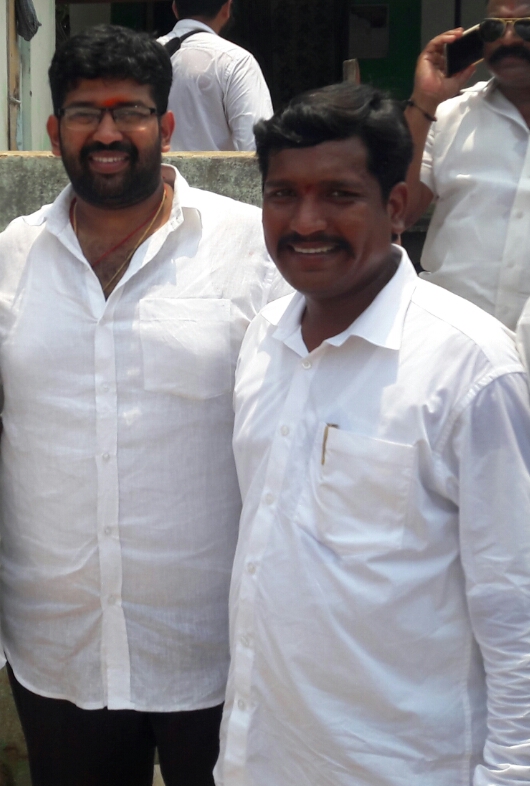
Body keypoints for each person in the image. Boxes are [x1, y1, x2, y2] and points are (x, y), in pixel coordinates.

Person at [214, 82, 530, 786]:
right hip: (264, 754)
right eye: (283, 194)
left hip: (403, 766)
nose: (306, 221)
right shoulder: (264, 339)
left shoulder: (470, 369)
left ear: (396, 207)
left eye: (339, 195)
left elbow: (517, 609)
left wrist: (511, 773)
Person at [0, 24, 288, 786]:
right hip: (57, 649)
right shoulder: (11, 258)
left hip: (216, 646)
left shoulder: (249, 249)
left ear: (165, 126)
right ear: (54, 131)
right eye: (85, 113)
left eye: (129, 111)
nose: (107, 133)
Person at [404, 0, 530, 329]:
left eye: (525, 26)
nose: (508, 40)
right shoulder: (449, 115)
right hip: (451, 337)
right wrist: (425, 100)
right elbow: (397, 214)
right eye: (494, 27)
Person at [158, 0, 273, 151]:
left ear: (175, 8)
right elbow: (257, 147)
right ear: (227, 9)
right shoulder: (237, 62)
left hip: (155, 167)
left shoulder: (141, 57)